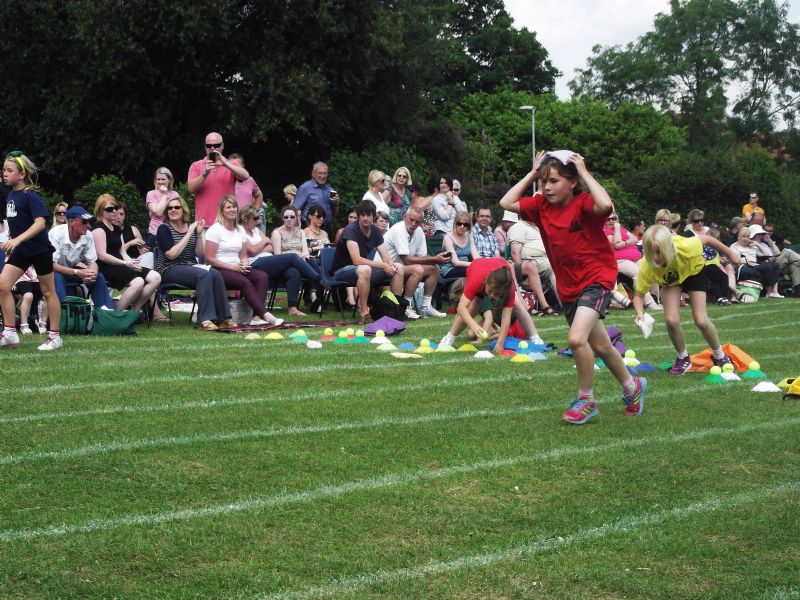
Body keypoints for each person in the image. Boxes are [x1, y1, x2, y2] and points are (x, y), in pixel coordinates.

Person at [500, 150, 647, 425]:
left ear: (572, 182)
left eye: (553, 180)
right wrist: (533, 172)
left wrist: (584, 172)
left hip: (596, 278)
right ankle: (632, 386)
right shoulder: (541, 205)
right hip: (568, 286)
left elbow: (605, 204)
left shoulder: (584, 204)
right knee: (602, 345)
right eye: (544, 181)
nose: (546, 187)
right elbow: (506, 201)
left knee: (577, 339)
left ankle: (586, 399)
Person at [634, 224, 741, 375]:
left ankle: (720, 355)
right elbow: (638, 295)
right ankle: (683, 358)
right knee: (671, 320)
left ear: (669, 246)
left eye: (658, 252)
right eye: (651, 253)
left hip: (693, 272)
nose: (655, 257)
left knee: (701, 320)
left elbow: (708, 239)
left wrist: (730, 253)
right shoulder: (648, 265)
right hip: (671, 282)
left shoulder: (686, 246)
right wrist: (639, 314)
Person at [0, 152, 62, 350]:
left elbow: (40, 223)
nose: (5, 174)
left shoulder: (30, 196)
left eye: (10, 170)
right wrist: (13, 242)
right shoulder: (11, 195)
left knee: (48, 292)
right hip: (22, 250)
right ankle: (10, 333)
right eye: (4, 170)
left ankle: (54, 337)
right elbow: (19, 224)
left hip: (39, 249)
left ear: (22, 174)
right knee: (2, 286)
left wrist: (17, 240)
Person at [156, 196, 235, 331]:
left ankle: (224, 318)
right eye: (169, 208)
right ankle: (204, 319)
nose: (173, 210)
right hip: (169, 269)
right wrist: (189, 233)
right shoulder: (163, 228)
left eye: (176, 207)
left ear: (183, 210)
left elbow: (199, 254)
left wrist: (198, 235)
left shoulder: (190, 227)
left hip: (190, 267)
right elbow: (171, 254)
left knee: (215, 274)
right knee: (203, 275)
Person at [438, 257, 546, 353]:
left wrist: (500, 344)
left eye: (497, 294)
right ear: (486, 283)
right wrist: (474, 325)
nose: (492, 296)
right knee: (472, 309)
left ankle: (535, 337)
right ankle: (449, 338)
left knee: (517, 304)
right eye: (490, 291)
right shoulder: (476, 280)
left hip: (502, 268)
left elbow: (506, 317)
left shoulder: (509, 287)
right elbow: (461, 308)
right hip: (476, 268)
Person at [205, 196, 283, 326]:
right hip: (219, 269)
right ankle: (268, 316)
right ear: (222, 211)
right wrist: (233, 267)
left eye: (234, 206)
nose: (232, 210)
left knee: (262, 276)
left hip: (238, 267)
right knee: (244, 282)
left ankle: (256, 318)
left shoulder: (240, 230)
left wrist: (244, 262)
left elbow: (243, 255)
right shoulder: (215, 229)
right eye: (228, 207)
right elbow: (209, 259)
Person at [330, 200, 404, 323]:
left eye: (368, 215)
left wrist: (390, 265)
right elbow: (356, 260)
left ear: (373, 216)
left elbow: (385, 255)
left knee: (398, 267)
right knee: (365, 269)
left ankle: (396, 309)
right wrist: (383, 265)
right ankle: (364, 312)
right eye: (362, 215)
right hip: (342, 271)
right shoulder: (350, 230)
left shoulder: (375, 230)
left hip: (363, 270)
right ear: (358, 216)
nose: (365, 218)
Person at [240, 204, 321, 317]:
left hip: (270, 262)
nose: (258, 221)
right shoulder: (240, 232)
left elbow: (271, 247)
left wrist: (262, 245)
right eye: (255, 218)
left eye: (258, 218)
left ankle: (292, 308)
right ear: (245, 219)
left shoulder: (257, 231)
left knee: (294, 272)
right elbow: (252, 251)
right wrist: (264, 243)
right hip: (255, 264)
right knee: (292, 257)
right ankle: (319, 280)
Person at [92, 194, 162, 314]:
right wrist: (125, 262)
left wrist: (130, 262)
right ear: (100, 211)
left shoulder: (117, 228)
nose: (114, 211)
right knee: (138, 282)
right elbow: (102, 255)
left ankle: (133, 312)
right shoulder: (99, 229)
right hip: (106, 266)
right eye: (109, 209)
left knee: (155, 277)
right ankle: (118, 314)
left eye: (114, 208)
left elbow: (122, 251)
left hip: (121, 264)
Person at [382, 206, 449, 319]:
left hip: (401, 267)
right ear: (405, 217)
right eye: (411, 219)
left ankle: (426, 307)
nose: (413, 223)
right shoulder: (399, 229)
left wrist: (438, 259)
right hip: (385, 267)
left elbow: (423, 256)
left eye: (417, 221)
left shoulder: (419, 232)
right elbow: (407, 260)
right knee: (418, 269)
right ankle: (406, 306)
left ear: (421, 222)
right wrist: (434, 259)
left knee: (435, 268)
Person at [50, 206, 115, 310]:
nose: (88, 226)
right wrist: (77, 272)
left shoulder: (88, 235)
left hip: (71, 270)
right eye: (84, 222)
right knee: (57, 278)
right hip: (52, 271)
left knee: (98, 277)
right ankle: (65, 315)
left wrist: (92, 274)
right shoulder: (56, 234)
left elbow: (93, 261)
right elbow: (51, 265)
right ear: (71, 222)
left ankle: (105, 312)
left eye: (89, 222)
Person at [186, 132, 250, 225]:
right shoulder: (196, 165)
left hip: (227, 224)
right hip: (204, 224)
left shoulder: (231, 164)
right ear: (205, 147)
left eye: (216, 145)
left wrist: (226, 164)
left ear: (222, 146)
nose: (212, 148)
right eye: (209, 145)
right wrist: (205, 173)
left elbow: (245, 176)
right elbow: (191, 188)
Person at [603, 211, 661, 310]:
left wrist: (624, 243)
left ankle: (656, 300)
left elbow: (634, 239)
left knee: (651, 268)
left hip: (636, 258)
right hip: (619, 260)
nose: (611, 221)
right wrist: (617, 228)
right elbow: (616, 242)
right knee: (637, 272)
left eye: (614, 219)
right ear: (604, 221)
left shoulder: (623, 229)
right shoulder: (604, 231)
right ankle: (650, 303)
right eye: (609, 219)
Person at [507, 217, 559, 315]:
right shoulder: (518, 227)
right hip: (529, 261)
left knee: (562, 264)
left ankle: (569, 304)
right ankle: (547, 306)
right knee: (553, 268)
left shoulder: (536, 227)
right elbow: (515, 253)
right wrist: (522, 277)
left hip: (543, 260)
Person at [731, 225, 783, 298]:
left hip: (755, 266)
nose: (745, 239)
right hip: (744, 267)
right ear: (738, 237)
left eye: (747, 237)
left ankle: (774, 291)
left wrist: (758, 245)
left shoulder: (751, 246)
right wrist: (749, 262)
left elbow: (768, 255)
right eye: (743, 236)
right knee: (768, 266)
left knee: (775, 265)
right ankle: (769, 292)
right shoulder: (734, 246)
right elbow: (736, 260)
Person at [751, 223, 800, 296]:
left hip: (775, 264)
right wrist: (759, 245)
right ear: (754, 235)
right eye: (760, 234)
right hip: (767, 265)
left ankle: (798, 291)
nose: (762, 236)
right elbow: (766, 256)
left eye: (761, 234)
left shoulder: (764, 243)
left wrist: (770, 241)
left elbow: (778, 252)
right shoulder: (752, 244)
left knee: (794, 266)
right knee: (787, 251)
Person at [292, 162, 339, 229]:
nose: (322, 176)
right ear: (313, 174)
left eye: (325, 173)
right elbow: (294, 210)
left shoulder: (329, 189)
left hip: (327, 229)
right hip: (309, 228)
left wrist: (336, 204)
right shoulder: (305, 188)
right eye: (320, 173)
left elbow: (335, 214)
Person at [145, 167, 181, 250]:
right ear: (155, 180)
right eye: (158, 179)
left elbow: (179, 213)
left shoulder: (175, 194)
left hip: (173, 232)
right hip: (155, 233)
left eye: (163, 179)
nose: (161, 182)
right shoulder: (151, 194)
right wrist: (165, 195)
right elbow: (158, 212)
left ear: (169, 180)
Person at [440, 210, 478, 279]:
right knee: (474, 272)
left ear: (468, 226)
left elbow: (476, 255)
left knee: (481, 271)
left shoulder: (469, 236)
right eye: (459, 223)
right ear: (455, 223)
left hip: (465, 267)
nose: (462, 226)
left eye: (465, 224)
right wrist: (475, 264)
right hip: (449, 269)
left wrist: (483, 263)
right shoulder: (448, 237)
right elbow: (455, 262)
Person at [12, 266, 43, 333]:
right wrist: (11, 282)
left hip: (38, 279)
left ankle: (43, 325)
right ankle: (24, 325)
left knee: (47, 296)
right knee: (28, 296)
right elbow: (9, 266)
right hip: (21, 279)